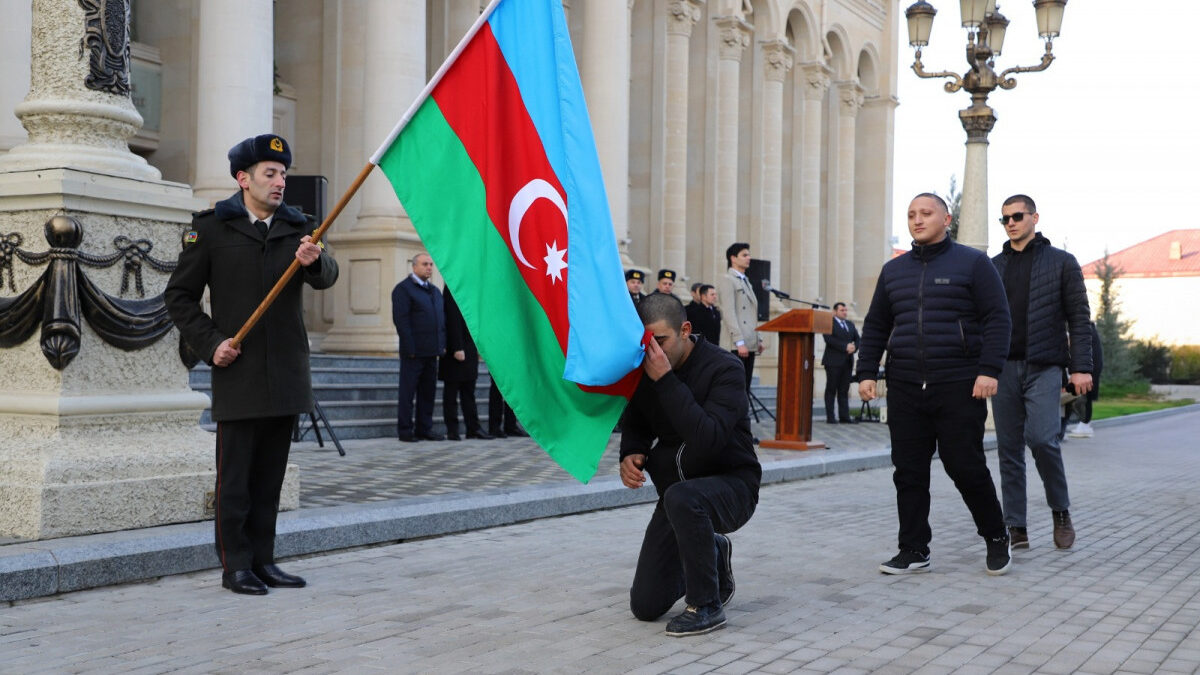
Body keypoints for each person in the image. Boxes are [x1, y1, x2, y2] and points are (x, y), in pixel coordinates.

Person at [166, 133, 338, 595]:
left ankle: (264, 560)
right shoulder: (212, 229)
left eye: (283, 173)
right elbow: (179, 298)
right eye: (270, 173)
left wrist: (314, 261)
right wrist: (211, 343)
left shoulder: (299, 227)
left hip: (285, 372)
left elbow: (328, 276)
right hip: (238, 372)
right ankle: (235, 565)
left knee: (270, 479)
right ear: (244, 179)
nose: (280, 181)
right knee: (237, 481)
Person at [856, 192, 1013, 577]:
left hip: (958, 384)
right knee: (908, 471)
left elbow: (998, 318)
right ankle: (913, 549)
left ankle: (995, 535)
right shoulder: (894, 271)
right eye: (911, 214)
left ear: (947, 219)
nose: (917, 220)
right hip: (906, 385)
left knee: (965, 466)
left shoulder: (973, 263)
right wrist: (865, 372)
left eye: (926, 213)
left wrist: (988, 370)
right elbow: (877, 324)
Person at [619, 293, 761, 637]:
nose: (654, 351)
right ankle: (712, 549)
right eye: (646, 342)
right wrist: (631, 451)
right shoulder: (646, 369)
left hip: (732, 486)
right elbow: (637, 420)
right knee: (646, 606)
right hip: (677, 497)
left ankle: (707, 606)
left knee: (684, 497)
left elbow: (709, 438)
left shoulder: (725, 368)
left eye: (661, 340)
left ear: (685, 330)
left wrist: (667, 381)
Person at [990, 194, 1093, 551]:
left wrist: (1081, 367)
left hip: (1045, 366)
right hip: (1002, 368)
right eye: (1004, 219)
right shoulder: (993, 266)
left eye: (1017, 216)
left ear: (1035, 217)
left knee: (1042, 439)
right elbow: (981, 321)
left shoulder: (1062, 263)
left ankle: (1060, 511)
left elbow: (1080, 318)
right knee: (1008, 450)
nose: (1011, 223)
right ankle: (1015, 525)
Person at [392, 253, 446, 442]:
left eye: (431, 264)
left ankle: (425, 429)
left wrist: (442, 345)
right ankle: (406, 430)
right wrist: (410, 348)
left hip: (432, 352)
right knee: (408, 394)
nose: (429, 267)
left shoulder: (434, 291)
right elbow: (402, 321)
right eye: (425, 264)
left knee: (427, 393)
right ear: (414, 267)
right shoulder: (403, 290)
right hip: (413, 353)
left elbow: (441, 321)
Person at [439, 288, 491, 441]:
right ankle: (452, 430)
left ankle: (473, 428)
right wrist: (457, 347)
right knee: (451, 392)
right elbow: (452, 318)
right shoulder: (452, 284)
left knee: (469, 392)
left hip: (469, 348)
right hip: (456, 349)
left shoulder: (469, 283)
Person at [718, 243, 763, 393]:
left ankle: (742, 416)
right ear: (733, 258)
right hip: (736, 344)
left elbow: (751, 315)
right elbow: (729, 312)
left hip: (749, 341)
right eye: (744, 255)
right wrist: (739, 341)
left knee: (745, 387)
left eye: (749, 255)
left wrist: (759, 339)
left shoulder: (746, 281)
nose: (748, 258)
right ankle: (735, 417)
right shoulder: (728, 279)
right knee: (736, 387)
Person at [822, 301, 860, 424]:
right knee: (831, 389)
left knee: (844, 390)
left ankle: (844, 416)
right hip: (833, 361)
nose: (845, 312)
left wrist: (854, 348)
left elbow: (857, 339)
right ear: (834, 312)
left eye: (845, 310)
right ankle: (831, 417)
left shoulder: (850, 324)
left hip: (847, 362)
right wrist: (845, 347)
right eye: (842, 310)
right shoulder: (829, 323)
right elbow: (828, 339)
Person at [1068, 321, 1103, 438]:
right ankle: (1084, 424)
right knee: (1084, 398)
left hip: (1088, 370)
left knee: (1084, 398)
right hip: (1090, 369)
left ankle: (1084, 425)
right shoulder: (1090, 330)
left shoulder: (1086, 330)